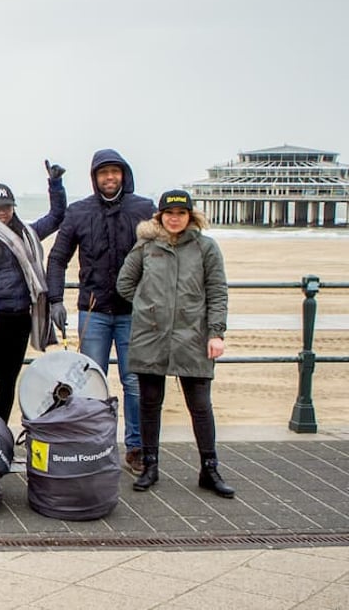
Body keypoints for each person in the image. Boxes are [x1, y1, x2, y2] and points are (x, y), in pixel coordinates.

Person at [117, 190, 234, 498]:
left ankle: (209, 467)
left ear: (190, 216)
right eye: (169, 213)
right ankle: (151, 466)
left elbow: (217, 292)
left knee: (200, 405)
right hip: (150, 336)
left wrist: (216, 333)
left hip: (193, 336)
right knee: (150, 403)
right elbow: (125, 283)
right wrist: (148, 308)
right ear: (160, 216)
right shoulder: (146, 247)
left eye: (180, 213)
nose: (174, 218)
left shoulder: (206, 248)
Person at [46, 149, 157, 475]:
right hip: (93, 312)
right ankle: (91, 443)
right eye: (103, 173)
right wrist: (55, 299)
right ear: (94, 178)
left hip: (132, 313)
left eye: (115, 172)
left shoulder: (143, 209)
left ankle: (136, 447)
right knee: (89, 381)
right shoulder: (80, 212)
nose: (109, 178)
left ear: (124, 174)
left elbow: (162, 255)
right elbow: (57, 258)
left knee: (133, 381)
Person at [0, 161, 67, 423]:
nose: (2, 213)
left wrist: (55, 185)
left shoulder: (27, 233)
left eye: (7, 207)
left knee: (9, 379)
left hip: (20, 317)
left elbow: (57, 217)